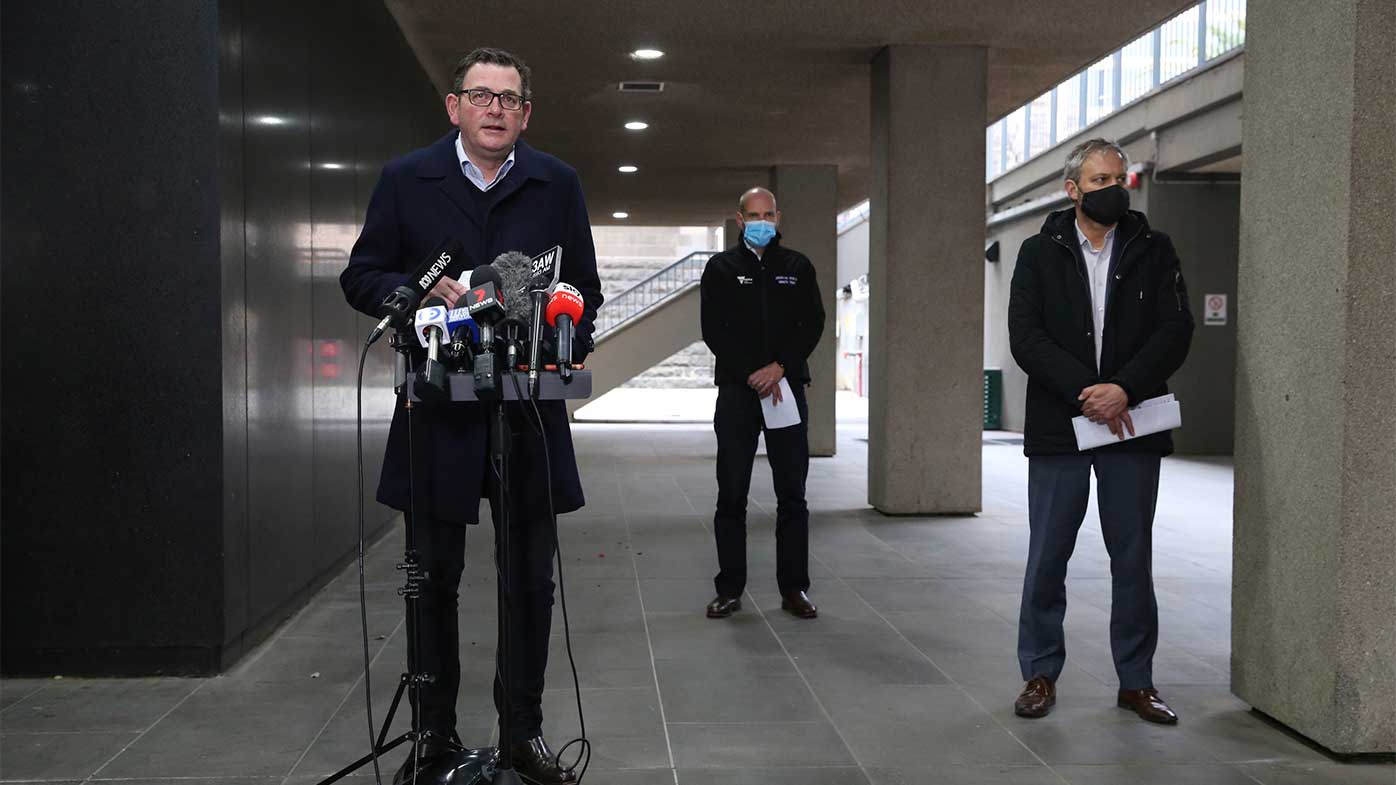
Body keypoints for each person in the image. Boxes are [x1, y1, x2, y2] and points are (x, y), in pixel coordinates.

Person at [340, 46, 602, 784]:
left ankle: (522, 732)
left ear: (526, 113)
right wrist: (415, 298)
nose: (495, 109)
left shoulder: (558, 184)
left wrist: (563, 332)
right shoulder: (405, 179)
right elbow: (361, 274)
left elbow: (584, 286)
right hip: (437, 408)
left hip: (527, 410)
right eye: (481, 95)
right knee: (434, 578)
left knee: (529, 581)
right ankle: (434, 738)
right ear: (453, 106)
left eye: (509, 98)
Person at [1007, 138, 1194, 724]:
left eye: (1120, 177)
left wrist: (1124, 390)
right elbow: (1026, 336)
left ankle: (1136, 681)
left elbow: (1175, 329)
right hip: (1064, 427)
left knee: (1132, 555)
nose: (1114, 187)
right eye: (1099, 180)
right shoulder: (1039, 253)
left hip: (1132, 426)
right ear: (1073, 190)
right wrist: (1088, 392)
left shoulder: (1154, 250)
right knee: (1048, 555)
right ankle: (1040, 672)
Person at [700, 187, 825, 620]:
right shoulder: (720, 268)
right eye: (753, 214)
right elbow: (714, 329)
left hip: (786, 389)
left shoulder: (797, 267)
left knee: (793, 494)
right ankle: (730, 589)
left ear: (777, 216)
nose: (761, 221)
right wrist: (755, 372)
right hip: (738, 391)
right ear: (739, 220)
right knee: (731, 493)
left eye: (768, 214)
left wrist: (779, 368)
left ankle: (795, 590)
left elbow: (813, 324)